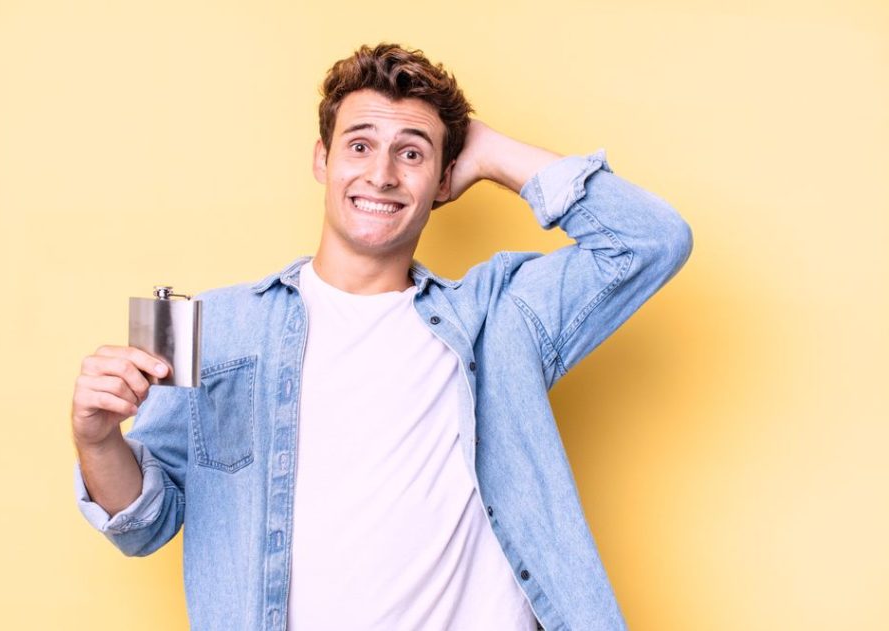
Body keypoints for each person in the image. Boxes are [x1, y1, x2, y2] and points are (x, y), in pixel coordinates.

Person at [71, 43, 693, 631]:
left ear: (446, 180)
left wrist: (492, 150)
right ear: (322, 159)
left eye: (413, 153)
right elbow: (143, 525)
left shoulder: (496, 318)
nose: (383, 173)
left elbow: (651, 240)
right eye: (360, 145)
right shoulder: (207, 323)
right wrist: (97, 440)